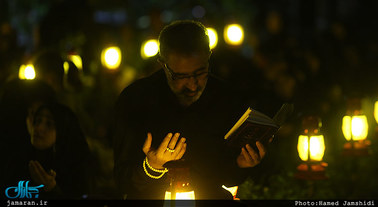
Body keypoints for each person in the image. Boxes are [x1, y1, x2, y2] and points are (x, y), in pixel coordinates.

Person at [113, 20, 268, 200]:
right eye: (180, 76)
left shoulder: (226, 98)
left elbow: (225, 176)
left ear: (209, 57)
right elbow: (123, 181)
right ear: (162, 64)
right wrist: (152, 166)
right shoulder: (136, 100)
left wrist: (242, 165)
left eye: (200, 72)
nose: (193, 84)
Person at [0, 79, 90, 199]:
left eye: (49, 123)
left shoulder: (73, 164)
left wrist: (52, 189)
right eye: (37, 118)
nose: (38, 128)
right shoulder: (17, 158)